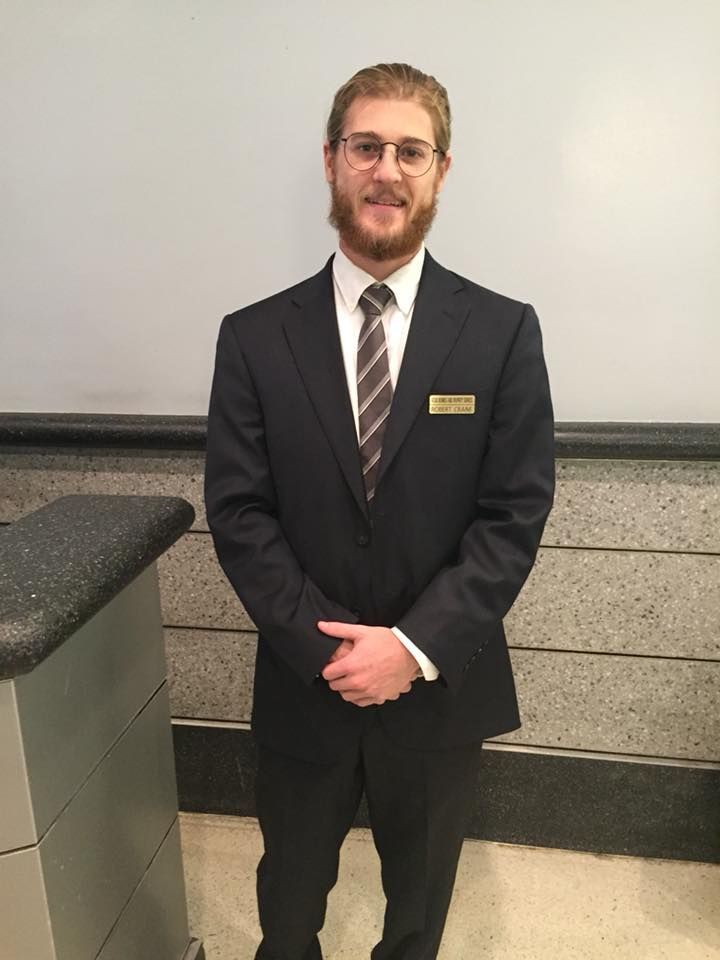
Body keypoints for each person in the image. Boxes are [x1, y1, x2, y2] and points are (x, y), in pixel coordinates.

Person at [205, 62, 555, 960]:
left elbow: (514, 513)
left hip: (439, 691)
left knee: (418, 919)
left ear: (442, 170)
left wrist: (410, 648)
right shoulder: (253, 337)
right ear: (331, 161)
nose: (386, 170)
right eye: (367, 147)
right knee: (287, 911)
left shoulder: (503, 331)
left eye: (410, 150)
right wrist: (335, 654)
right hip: (303, 687)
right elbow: (240, 513)